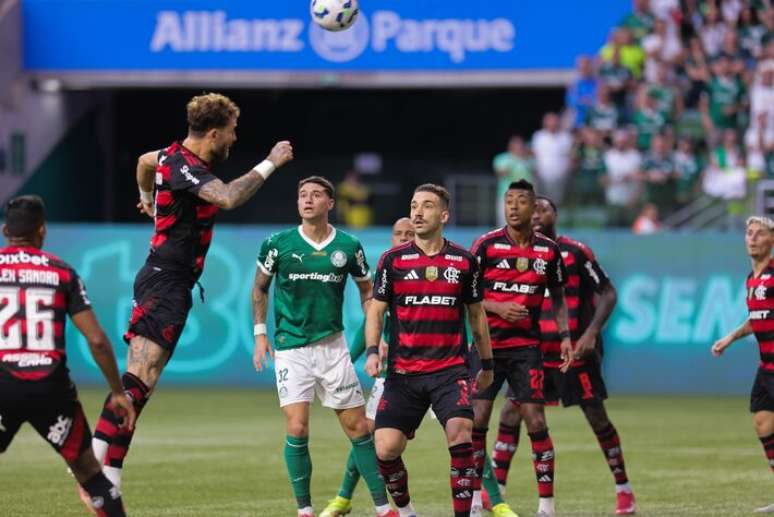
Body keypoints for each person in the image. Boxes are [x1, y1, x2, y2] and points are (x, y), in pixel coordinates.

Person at [89, 93, 294, 493]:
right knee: (139, 377)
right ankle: (93, 460)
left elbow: (144, 163)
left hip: (169, 280)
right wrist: (271, 162)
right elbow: (230, 196)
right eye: (231, 134)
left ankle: (109, 471)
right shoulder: (187, 167)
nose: (233, 141)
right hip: (165, 281)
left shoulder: (167, 155)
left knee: (142, 381)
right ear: (213, 133)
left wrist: (146, 199)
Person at [252, 176, 393, 517]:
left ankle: (383, 508)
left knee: (359, 428)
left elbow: (367, 293)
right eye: (302, 194)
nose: (308, 200)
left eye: (316, 195)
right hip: (291, 348)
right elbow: (259, 289)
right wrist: (260, 334)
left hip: (333, 348)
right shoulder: (277, 244)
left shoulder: (348, 245)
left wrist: (377, 337)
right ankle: (305, 509)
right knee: (297, 426)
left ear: (330, 203)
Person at [486, 196, 636, 516]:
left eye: (543, 208)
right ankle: (495, 491)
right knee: (511, 414)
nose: (536, 214)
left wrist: (592, 332)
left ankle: (624, 489)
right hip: (534, 353)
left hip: (574, 354)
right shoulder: (521, 252)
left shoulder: (575, 251)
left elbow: (608, 292)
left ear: (556, 214)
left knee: (596, 417)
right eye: (532, 208)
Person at [0, 195, 136, 517]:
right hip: (51, 388)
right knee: (90, 474)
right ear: (42, 231)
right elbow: (97, 340)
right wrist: (117, 391)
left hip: (2, 383)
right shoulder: (62, 273)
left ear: (6, 230)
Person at [365, 183, 495, 517]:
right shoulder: (392, 260)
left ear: (444, 215)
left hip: (450, 371)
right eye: (413, 206)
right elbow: (376, 310)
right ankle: (407, 512)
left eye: (426, 206)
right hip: (403, 374)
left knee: (461, 434)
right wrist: (372, 351)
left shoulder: (464, 261)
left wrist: (487, 363)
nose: (418, 213)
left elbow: (477, 315)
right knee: (386, 447)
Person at [469, 180, 573, 517]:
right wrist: (498, 308)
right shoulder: (485, 245)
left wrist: (566, 335)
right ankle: (473, 499)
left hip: (526, 348)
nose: (513, 207)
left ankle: (547, 505)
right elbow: (466, 296)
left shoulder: (547, 251)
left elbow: (557, 295)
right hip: (487, 347)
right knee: (477, 421)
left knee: (536, 420)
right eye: (508, 200)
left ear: (533, 208)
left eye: (521, 201)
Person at [321, 217, 414, 517]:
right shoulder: (387, 273)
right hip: (394, 377)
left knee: (464, 431)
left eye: (409, 234)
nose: (402, 238)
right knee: (369, 434)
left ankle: (492, 499)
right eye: (397, 233)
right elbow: (370, 322)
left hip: (440, 370)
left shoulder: (437, 270)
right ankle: (344, 498)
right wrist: (347, 362)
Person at [712, 215, 774, 514]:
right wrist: (731, 337)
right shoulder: (752, 280)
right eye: (748, 233)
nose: (752, 238)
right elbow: (758, 319)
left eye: (759, 233)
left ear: (771, 241)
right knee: (763, 423)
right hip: (766, 367)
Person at [492, 136, 535, 227]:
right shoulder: (502, 158)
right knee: (504, 223)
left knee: (524, 224)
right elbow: (500, 173)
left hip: (525, 197)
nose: (518, 147)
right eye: (515, 145)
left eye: (520, 145)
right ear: (510, 146)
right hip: (506, 196)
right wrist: (514, 160)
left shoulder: (529, 160)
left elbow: (535, 174)